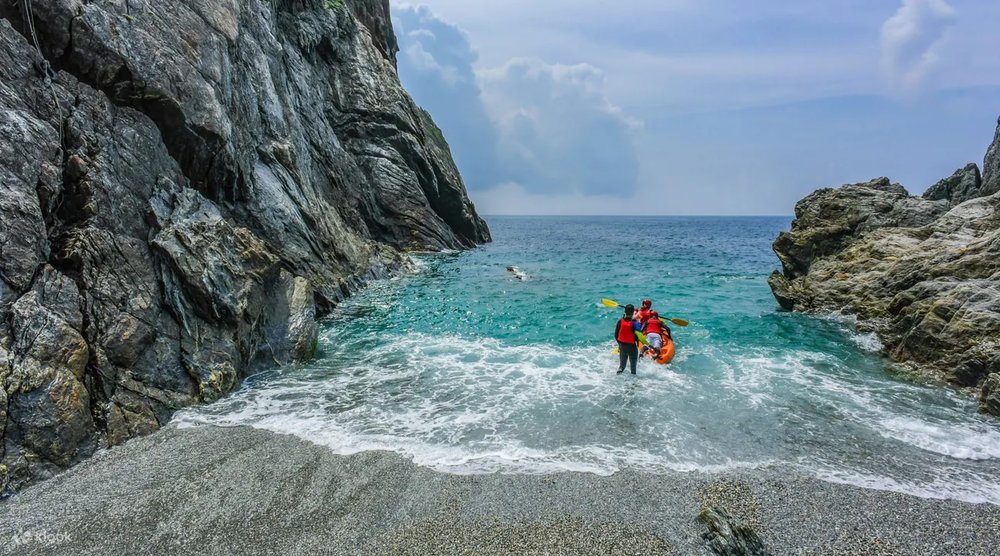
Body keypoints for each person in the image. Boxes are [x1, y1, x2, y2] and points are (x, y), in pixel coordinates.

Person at [614, 304, 641, 375]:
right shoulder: (635, 323)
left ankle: (617, 377)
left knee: (622, 366)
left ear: (625, 312)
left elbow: (616, 335)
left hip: (622, 346)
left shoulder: (620, 321)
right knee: (633, 368)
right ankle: (633, 382)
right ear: (633, 313)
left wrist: (620, 345)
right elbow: (639, 335)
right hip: (632, 347)